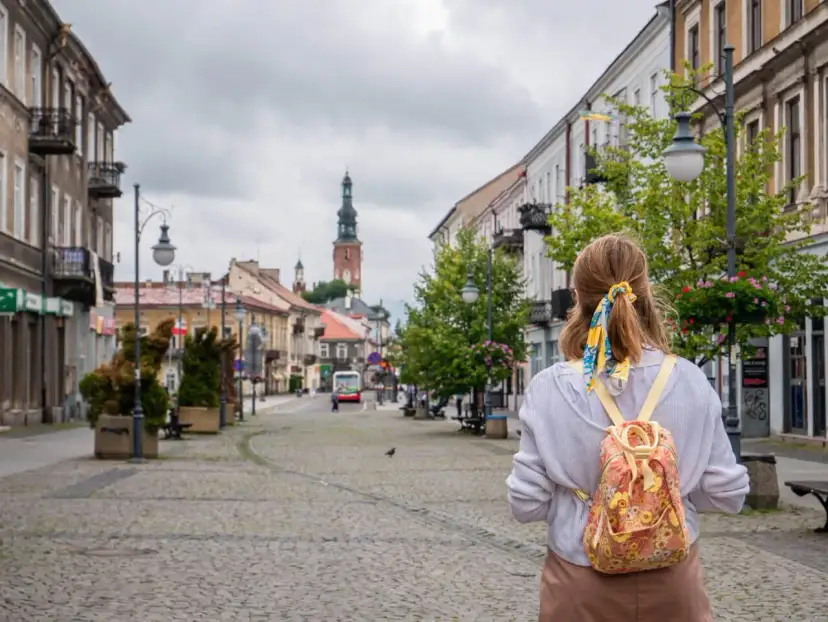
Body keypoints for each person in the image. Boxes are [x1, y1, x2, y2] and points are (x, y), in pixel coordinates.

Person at [506, 233, 749, 622]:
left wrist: (584, 500)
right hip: (674, 580)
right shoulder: (689, 379)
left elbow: (525, 504)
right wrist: (664, 494)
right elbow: (728, 494)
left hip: (578, 576)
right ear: (645, 293)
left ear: (578, 298)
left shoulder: (548, 387)